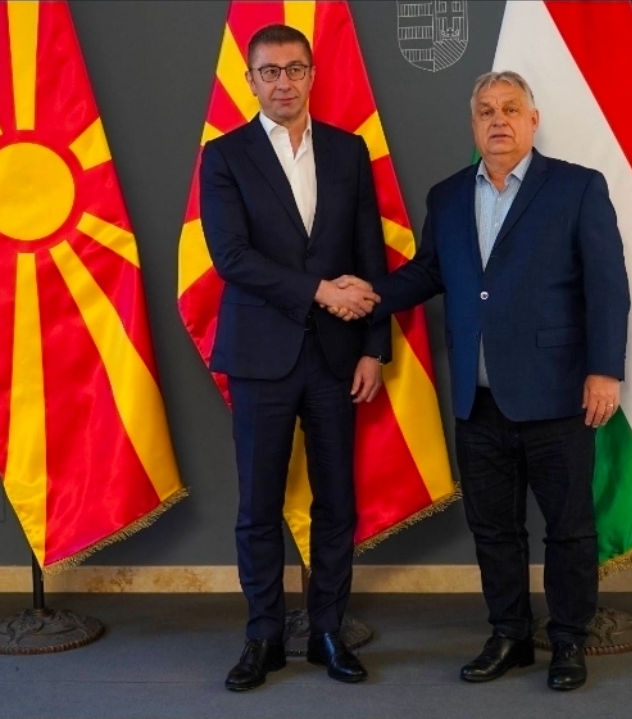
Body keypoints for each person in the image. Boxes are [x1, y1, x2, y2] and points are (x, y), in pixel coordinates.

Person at [332, 71, 629, 691]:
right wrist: (371, 294)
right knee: (494, 529)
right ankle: (509, 635)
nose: (499, 120)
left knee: (569, 528)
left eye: (511, 109)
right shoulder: (446, 197)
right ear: (473, 125)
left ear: (533, 120)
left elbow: (607, 287)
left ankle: (568, 640)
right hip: (477, 398)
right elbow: (428, 273)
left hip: (556, 394)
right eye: (486, 111)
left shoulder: (577, 187)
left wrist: (604, 371)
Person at [199, 24, 390, 691]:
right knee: (258, 506)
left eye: (295, 69)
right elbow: (232, 257)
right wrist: (320, 291)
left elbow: (369, 252)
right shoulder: (224, 156)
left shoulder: (348, 150)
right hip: (261, 356)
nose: (283, 82)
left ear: (312, 75)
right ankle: (264, 636)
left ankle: (329, 629)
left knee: (337, 503)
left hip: (338, 358)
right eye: (270, 71)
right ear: (250, 81)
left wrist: (375, 348)